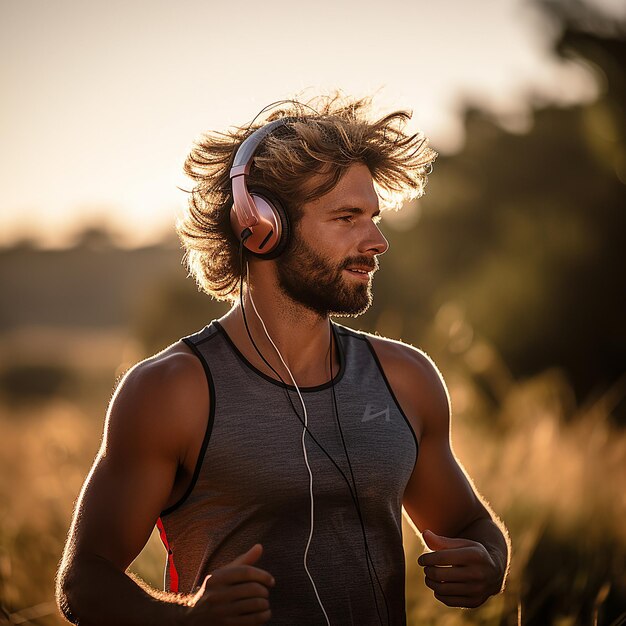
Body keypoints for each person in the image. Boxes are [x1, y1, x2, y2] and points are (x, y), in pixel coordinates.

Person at [56, 94, 510, 626]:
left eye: (373, 217)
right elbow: (83, 579)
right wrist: (185, 621)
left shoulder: (407, 379)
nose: (378, 241)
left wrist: (488, 563)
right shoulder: (172, 391)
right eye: (347, 217)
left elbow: (472, 523)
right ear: (261, 226)